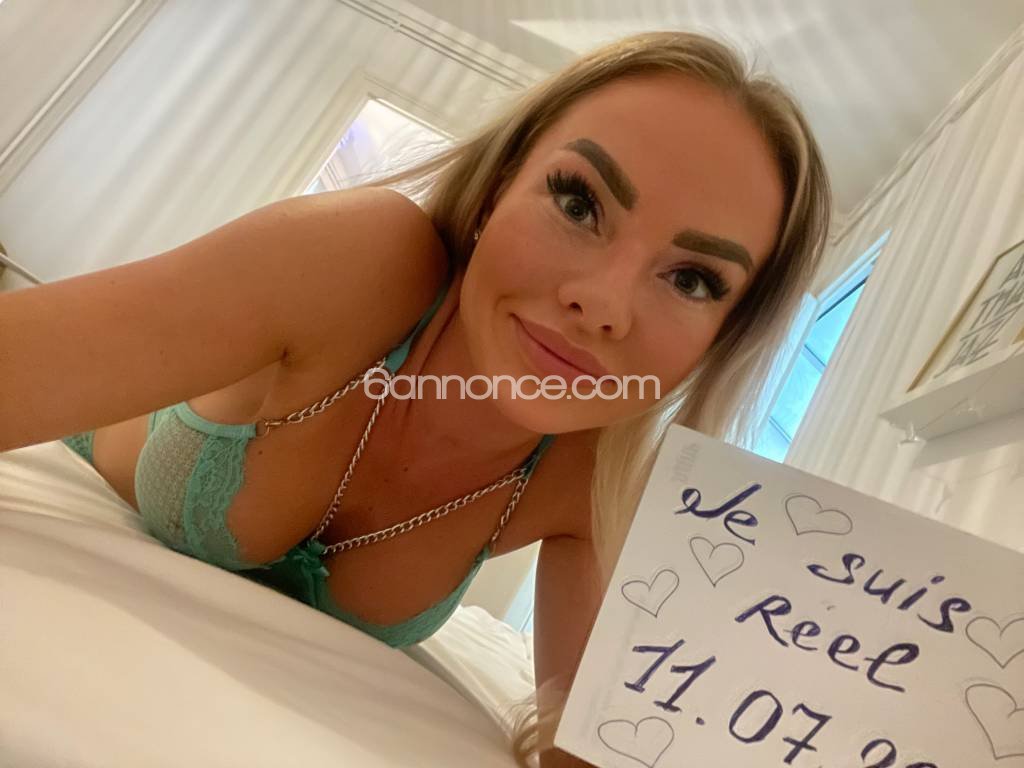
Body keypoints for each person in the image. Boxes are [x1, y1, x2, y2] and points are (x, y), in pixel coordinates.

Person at [0, 29, 831, 768]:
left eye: (693, 279)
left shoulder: (594, 479)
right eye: (579, 202)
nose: (603, 303)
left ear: (723, 334)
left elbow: (588, 746)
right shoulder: (355, 262)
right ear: (500, 185)